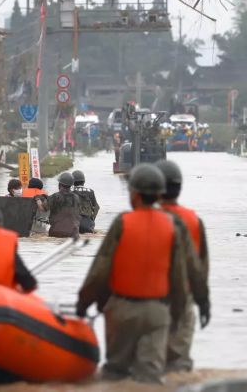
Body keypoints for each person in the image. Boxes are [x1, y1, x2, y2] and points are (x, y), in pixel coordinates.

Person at [75, 164, 210, 384]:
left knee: (115, 373)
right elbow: (185, 270)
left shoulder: (123, 222)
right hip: (159, 311)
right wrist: (197, 302)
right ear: (158, 193)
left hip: (122, 310)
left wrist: (85, 302)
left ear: (135, 193)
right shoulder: (174, 225)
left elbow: (101, 268)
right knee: (151, 378)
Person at [154, 160, 211, 373]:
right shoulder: (193, 220)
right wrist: (203, 301)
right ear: (180, 187)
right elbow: (200, 266)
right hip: (182, 297)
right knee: (178, 365)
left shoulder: (141, 218)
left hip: (148, 298)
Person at [47, 172, 81, 238]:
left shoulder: (54, 196)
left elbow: (43, 208)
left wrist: (38, 199)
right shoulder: (76, 197)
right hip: (73, 234)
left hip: (56, 233)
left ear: (60, 184)